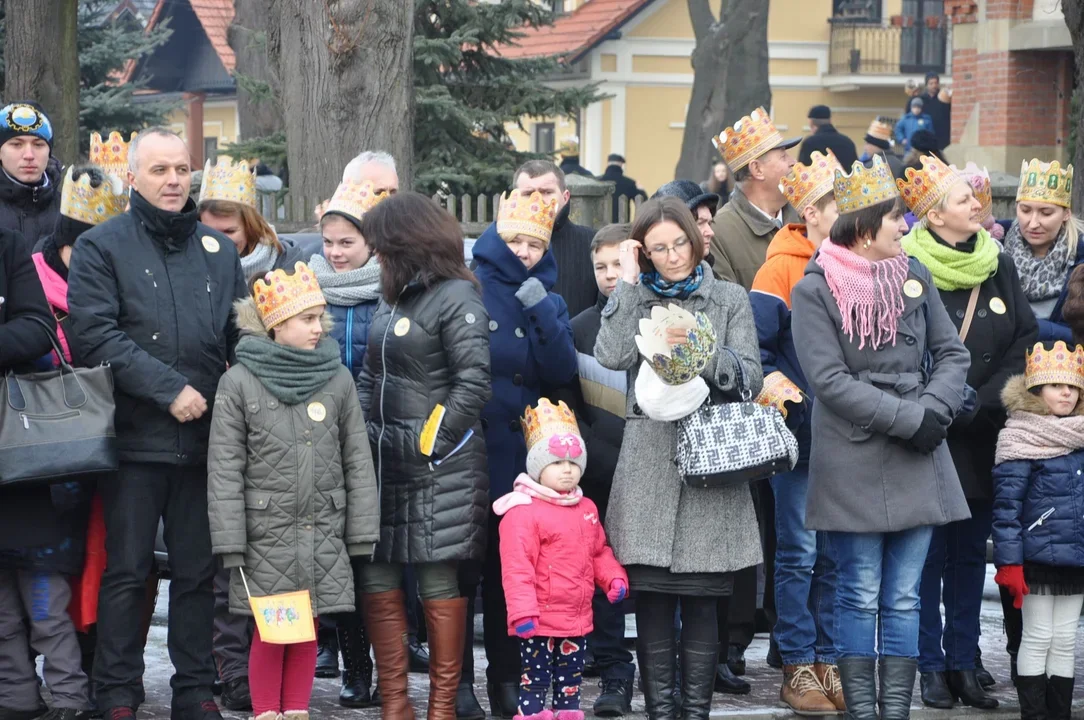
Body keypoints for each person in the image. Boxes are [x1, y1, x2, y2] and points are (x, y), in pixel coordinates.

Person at [67, 127, 248, 720]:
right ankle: (116, 691)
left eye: (182, 168)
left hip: (205, 443)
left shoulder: (219, 252)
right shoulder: (102, 247)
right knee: (128, 572)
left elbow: (241, 339)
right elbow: (92, 334)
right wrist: (169, 391)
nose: (174, 180)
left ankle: (195, 690)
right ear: (132, 177)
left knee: (199, 575)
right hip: (133, 440)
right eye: (160, 170)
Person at [790, 156, 971, 720]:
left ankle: (895, 713)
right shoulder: (814, 289)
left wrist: (934, 409)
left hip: (919, 450)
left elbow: (951, 353)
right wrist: (909, 418)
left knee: (904, 598)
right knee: (860, 593)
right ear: (867, 227)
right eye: (896, 218)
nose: (905, 227)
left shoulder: (913, 273)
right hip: (855, 456)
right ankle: (863, 714)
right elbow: (828, 381)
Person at [595, 196, 764, 719]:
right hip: (648, 462)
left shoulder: (729, 297)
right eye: (658, 249)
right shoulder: (635, 294)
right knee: (651, 599)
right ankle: (660, 713)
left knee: (702, 599)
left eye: (680, 244)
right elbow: (610, 354)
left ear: (696, 238)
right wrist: (626, 281)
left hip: (711, 461)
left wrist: (698, 350)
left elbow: (751, 377)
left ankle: (695, 713)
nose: (672, 257)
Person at [207, 261, 378, 720]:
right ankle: (267, 710)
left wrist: (360, 531)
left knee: (308, 626)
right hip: (266, 533)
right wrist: (229, 541)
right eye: (307, 319)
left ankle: (297, 710)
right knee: (272, 629)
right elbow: (225, 468)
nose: (319, 328)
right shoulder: (238, 383)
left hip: (324, 527)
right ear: (277, 325)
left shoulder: (338, 379)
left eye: (321, 317)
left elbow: (356, 459)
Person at [897, 155, 1037, 711]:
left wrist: (985, 400)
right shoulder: (904, 267)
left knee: (965, 558)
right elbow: (897, 346)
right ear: (932, 214)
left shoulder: (998, 263)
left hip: (982, 435)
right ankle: (929, 665)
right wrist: (940, 401)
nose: (977, 207)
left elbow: (1023, 339)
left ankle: (963, 662)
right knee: (926, 559)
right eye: (962, 201)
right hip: (928, 435)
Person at [356, 192, 491, 720]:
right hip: (382, 465)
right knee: (376, 575)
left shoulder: (458, 295)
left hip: (439, 469)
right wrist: (364, 433)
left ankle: (440, 708)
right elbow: (372, 374)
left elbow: (473, 382)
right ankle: (395, 705)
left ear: (407, 244)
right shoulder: (392, 299)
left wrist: (428, 442)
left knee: (437, 577)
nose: (376, 258)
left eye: (382, 248)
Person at [466, 188, 577, 718]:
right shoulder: (469, 288)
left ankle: (507, 679)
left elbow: (561, 373)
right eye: (513, 239)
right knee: (466, 570)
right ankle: (459, 681)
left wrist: (541, 309)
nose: (523, 251)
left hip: (525, 459)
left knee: (515, 576)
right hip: (475, 451)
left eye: (534, 242)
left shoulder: (548, 299)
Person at [23, 165, 127, 720]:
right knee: (43, 568)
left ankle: (87, 670)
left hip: (106, 441)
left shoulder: (119, 278)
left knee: (100, 561)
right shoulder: (32, 280)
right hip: (43, 444)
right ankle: (33, 682)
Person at [750, 150, 843, 715]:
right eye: (835, 202)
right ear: (809, 209)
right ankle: (798, 664)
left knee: (833, 555)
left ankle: (828, 661)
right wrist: (793, 400)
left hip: (848, 438)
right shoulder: (779, 267)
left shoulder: (856, 262)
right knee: (798, 555)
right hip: (801, 437)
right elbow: (758, 353)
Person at [709, 106, 800, 680]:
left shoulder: (798, 220)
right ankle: (735, 638)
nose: (791, 163)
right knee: (751, 520)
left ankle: (780, 633)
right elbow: (727, 309)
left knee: (788, 528)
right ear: (755, 170)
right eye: (781, 156)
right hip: (750, 393)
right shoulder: (726, 230)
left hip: (798, 392)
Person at [304, 178, 389, 707]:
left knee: (380, 563)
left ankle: (395, 661)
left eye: (347, 243)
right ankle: (355, 667)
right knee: (343, 564)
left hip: (380, 437)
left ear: (372, 245)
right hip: (326, 438)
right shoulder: (305, 287)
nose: (334, 253)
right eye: (328, 242)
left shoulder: (392, 289)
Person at [549, 223, 637, 716]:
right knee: (603, 570)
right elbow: (572, 403)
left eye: (617, 266)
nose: (608, 276)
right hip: (598, 469)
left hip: (651, 468)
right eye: (600, 267)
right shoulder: (580, 327)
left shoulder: (654, 318)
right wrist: (592, 459)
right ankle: (610, 664)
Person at [495, 399, 629, 720]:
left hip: (576, 621)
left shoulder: (586, 509)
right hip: (538, 623)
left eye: (573, 462)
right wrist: (522, 612)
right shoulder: (523, 511)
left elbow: (598, 552)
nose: (567, 469)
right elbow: (517, 569)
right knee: (535, 683)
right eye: (556, 463)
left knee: (570, 685)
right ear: (538, 467)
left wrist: (613, 577)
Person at [0, 180, 77, 720]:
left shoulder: (7, 247)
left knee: (44, 595)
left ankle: (71, 697)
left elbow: (37, 327)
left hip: (15, 448)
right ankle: (16, 699)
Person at [992, 341, 1084, 720]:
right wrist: (1009, 564)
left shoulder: (1080, 438)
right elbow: (1006, 512)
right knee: (1037, 635)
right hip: (1035, 560)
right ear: (1034, 391)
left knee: (1065, 639)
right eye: (1056, 385)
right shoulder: (1019, 439)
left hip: (1075, 558)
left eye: (1073, 386)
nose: (1067, 392)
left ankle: (1059, 713)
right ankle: (1034, 714)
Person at [1007, 160, 1084, 343]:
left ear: (1066, 214)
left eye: (1046, 213)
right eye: (1025, 210)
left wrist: (1033, 329)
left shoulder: (1079, 259)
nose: (1033, 223)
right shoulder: (995, 252)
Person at [508, 161, 597, 318]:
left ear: (565, 197)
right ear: (515, 198)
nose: (537, 200)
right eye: (528, 193)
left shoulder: (592, 244)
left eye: (546, 192)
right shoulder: (497, 246)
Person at [198, 157, 302, 285]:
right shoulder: (187, 265)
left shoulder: (287, 263)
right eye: (209, 232)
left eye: (229, 231)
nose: (220, 241)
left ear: (250, 227)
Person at [0, 101, 61, 243]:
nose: (29, 155)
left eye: (38, 145)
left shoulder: (68, 211)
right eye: (16, 144)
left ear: (49, 152)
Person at [651, 180, 720, 263]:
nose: (710, 232)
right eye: (700, 223)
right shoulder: (637, 275)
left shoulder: (708, 273)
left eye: (709, 223)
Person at [908, 73, 952, 152]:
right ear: (926, 85)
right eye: (931, 83)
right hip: (926, 135)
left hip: (942, 136)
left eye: (936, 83)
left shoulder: (944, 99)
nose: (934, 86)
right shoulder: (921, 99)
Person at [598, 153, 646, 223]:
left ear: (608, 164)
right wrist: (641, 191)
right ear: (621, 164)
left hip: (599, 227)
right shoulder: (629, 183)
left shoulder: (597, 181)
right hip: (621, 227)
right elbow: (643, 202)